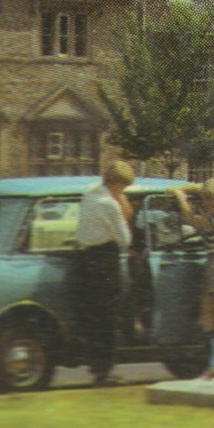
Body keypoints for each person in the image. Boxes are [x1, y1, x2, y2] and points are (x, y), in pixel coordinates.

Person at [74, 161, 134, 386]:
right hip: (104, 260)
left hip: (83, 258)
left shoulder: (89, 192)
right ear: (118, 184)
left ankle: (95, 366)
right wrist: (121, 202)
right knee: (108, 317)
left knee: (93, 317)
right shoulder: (110, 204)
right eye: (123, 187)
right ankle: (105, 371)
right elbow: (125, 240)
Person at [174, 179, 214, 379]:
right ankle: (213, 365)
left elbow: (193, 222)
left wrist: (181, 198)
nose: (210, 207)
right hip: (212, 264)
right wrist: (193, 189)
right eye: (207, 203)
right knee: (208, 319)